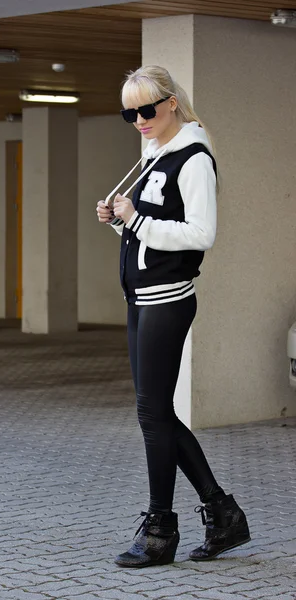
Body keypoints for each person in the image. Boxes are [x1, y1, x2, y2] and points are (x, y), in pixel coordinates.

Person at [96, 65, 250, 568]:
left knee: (152, 414)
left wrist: (134, 218)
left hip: (167, 299)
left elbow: (200, 234)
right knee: (156, 413)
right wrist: (121, 224)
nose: (138, 119)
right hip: (141, 299)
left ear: (171, 103)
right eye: (129, 112)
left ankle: (162, 529)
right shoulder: (153, 154)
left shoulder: (193, 158)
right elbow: (150, 238)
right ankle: (222, 513)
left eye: (146, 109)